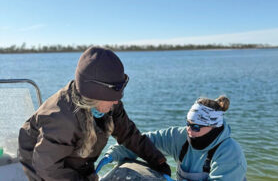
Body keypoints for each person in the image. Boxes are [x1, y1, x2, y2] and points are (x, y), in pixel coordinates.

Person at [18, 46, 171, 181]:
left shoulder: (109, 104)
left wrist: (157, 160)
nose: (116, 102)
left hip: (76, 161)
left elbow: (129, 134)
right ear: (92, 96)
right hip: (40, 166)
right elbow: (47, 168)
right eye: (111, 99)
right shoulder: (62, 119)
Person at [100, 96, 247, 181]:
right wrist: (112, 155)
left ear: (213, 127)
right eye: (188, 124)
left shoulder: (230, 153)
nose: (189, 130)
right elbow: (144, 143)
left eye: (196, 127)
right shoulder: (182, 137)